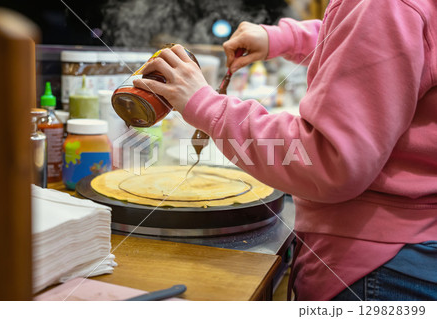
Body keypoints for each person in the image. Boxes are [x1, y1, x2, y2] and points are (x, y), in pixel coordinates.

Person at [134, 0, 437, 300]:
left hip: (381, 271)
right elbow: (379, 41)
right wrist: (285, 39)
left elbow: (330, 160)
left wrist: (205, 105)